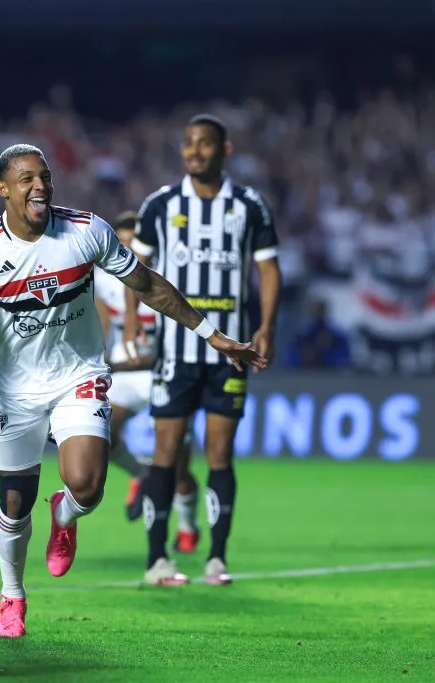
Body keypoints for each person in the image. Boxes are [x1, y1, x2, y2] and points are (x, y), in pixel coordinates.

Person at [0, 143, 266, 638]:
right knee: (14, 503)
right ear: (3, 189)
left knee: (87, 485)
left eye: (44, 176)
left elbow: (147, 285)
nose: (39, 186)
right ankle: (12, 595)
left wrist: (210, 333)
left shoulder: (85, 231)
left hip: (78, 376)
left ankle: (65, 514)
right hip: (15, 392)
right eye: (26, 179)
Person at [124, 114, 282, 586]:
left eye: (205, 144)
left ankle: (217, 558)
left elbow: (269, 270)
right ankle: (157, 558)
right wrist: (134, 319)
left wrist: (266, 326)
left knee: (220, 454)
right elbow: (138, 268)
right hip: (175, 350)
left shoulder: (249, 206)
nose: (195, 151)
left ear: (224, 150)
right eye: (189, 143)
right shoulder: (159, 205)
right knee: (165, 453)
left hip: (231, 350)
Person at [96, 211, 202, 554]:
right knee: (101, 436)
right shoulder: (105, 279)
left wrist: (131, 361)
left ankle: (187, 525)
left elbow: (181, 337)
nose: (127, 249)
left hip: (164, 372)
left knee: (177, 466)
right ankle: (140, 473)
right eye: (121, 242)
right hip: (125, 374)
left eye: (133, 243)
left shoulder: (169, 278)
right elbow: (102, 327)